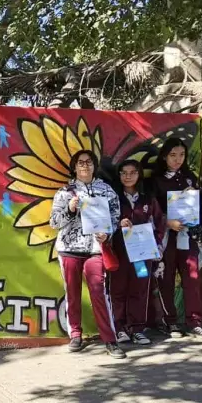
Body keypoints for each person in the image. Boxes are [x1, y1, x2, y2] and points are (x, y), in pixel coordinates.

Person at [49, 149, 125, 358]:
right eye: (80, 162)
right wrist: (70, 210)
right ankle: (75, 334)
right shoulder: (65, 192)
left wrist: (107, 234)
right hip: (69, 249)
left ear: (94, 165)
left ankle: (110, 339)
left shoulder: (106, 190)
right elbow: (54, 222)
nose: (85, 165)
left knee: (99, 293)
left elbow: (115, 218)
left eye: (89, 162)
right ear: (74, 166)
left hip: (95, 250)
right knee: (72, 293)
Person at [148, 138, 202, 338]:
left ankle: (195, 322)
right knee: (165, 279)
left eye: (182, 155)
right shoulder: (154, 180)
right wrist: (167, 222)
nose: (178, 159)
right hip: (165, 238)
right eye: (173, 155)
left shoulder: (190, 178)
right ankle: (171, 323)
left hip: (188, 236)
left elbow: (198, 207)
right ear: (164, 156)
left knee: (192, 278)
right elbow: (149, 210)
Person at [110, 159, 163, 346]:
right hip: (119, 252)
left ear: (139, 174)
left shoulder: (148, 199)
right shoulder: (113, 198)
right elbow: (102, 223)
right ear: (119, 175)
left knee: (139, 290)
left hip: (143, 253)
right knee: (117, 290)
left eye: (132, 172)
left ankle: (137, 329)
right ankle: (119, 328)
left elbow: (159, 224)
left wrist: (156, 246)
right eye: (124, 172)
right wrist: (118, 224)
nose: (128, 176)